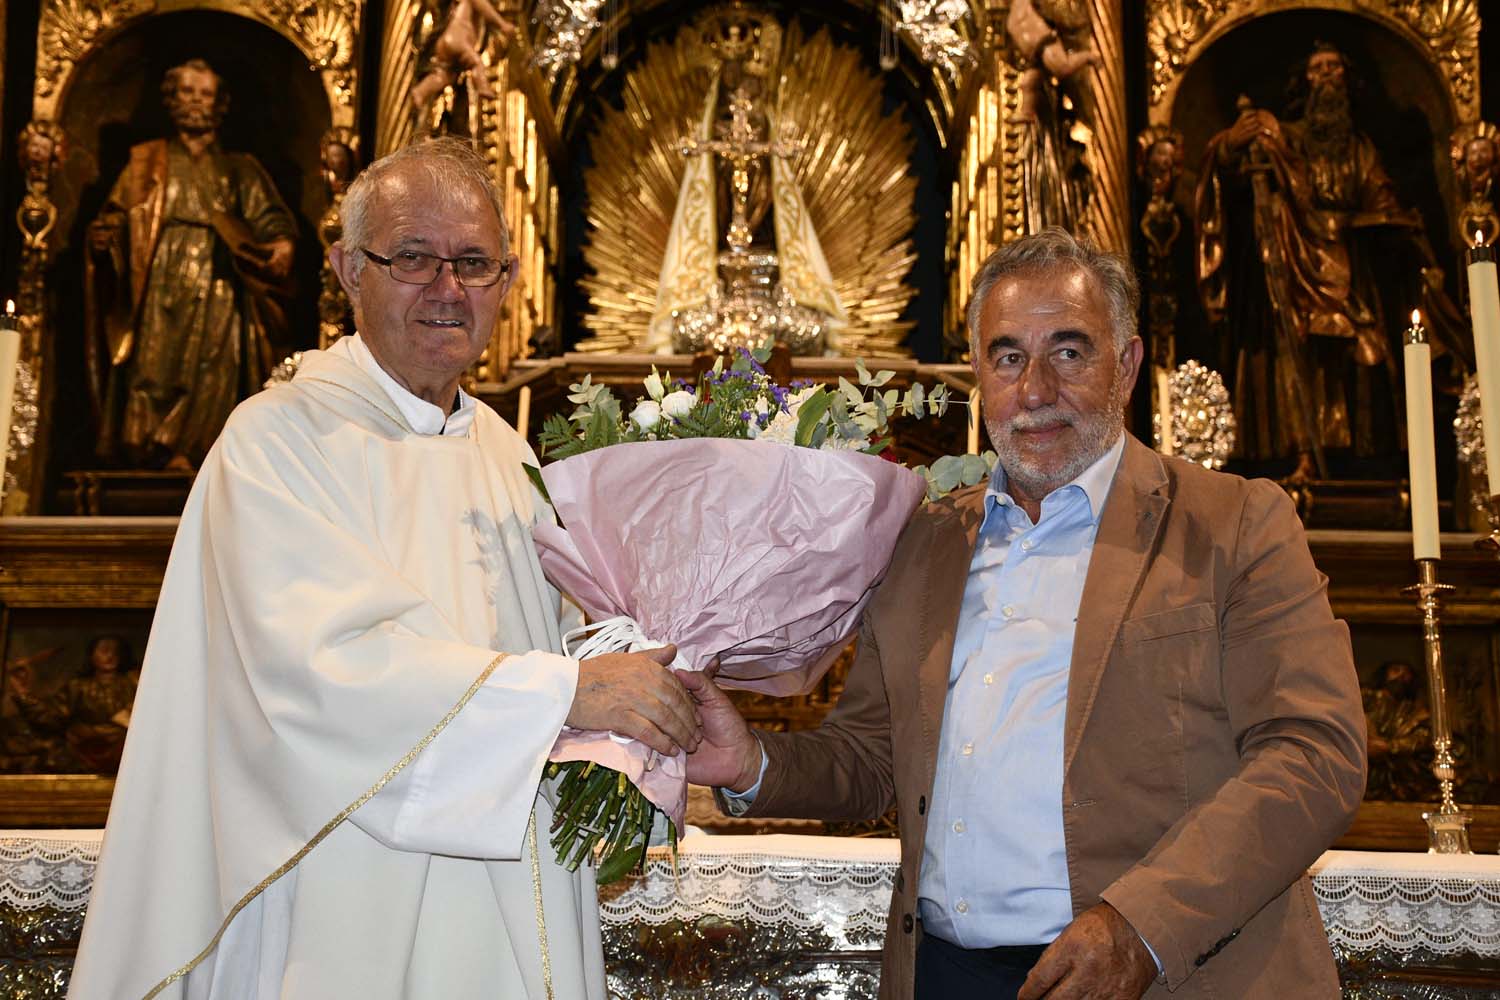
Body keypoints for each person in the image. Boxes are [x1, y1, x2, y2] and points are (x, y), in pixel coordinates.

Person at [69, 138, 701, 999]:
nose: (448, 289)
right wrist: (568, 694)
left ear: (507, 284)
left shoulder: (505, 456)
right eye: (413, 257)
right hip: (333, 894)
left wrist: (652, 682)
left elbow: (562, 654)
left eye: (475, 263)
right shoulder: (276, 442)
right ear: (345, 268)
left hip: (505, 894)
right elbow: (319, 677)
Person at [684, 228, 1367, 1000]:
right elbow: (874, 759)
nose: (1035, 390)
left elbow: (1315, 753)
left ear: (1129, 364)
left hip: (1170, 973)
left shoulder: (1234, 523)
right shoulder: (923, 543)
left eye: (1069, 352)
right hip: (947, 974)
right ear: (980, 375)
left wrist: (1140, 925)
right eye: (1008, 357)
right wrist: (752, 764)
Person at [1196, 42, 1467, 480]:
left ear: (1348, 81)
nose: (1326, 78)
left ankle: (1365, 462)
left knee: (1367, 355)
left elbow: (1380, 196)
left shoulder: (1359, 148)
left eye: (1335, 69)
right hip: (1291, 266)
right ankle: (1297, 456)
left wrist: (1398, 225)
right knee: (1293, 354)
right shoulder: (1282, 138)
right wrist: (1230, 145)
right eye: (1318, 69)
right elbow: (1226, 174)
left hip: (1351, 267)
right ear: (1304, 82)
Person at [85, 58, 297, 471]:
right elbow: (114, 215)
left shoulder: (239, 167)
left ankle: (198, 450)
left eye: (205, 94)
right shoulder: (145, 160)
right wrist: (105, 237)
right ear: (171, 100)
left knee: (214, 366)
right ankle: (146, 449)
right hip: (157, 270)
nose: (196, 102)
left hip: (219, 276)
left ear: (219, 105)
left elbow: (272, 219)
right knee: (152, 361)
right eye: (187, 92)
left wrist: (280, 247)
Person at [7, 635, 139, 774]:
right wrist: (24, 695)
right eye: (104, 650)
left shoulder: (133, 684)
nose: (110, 656)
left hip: (124, 753)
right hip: (83, 753)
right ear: (92, 655)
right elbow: (51, 716)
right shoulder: (77, 687)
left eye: (115, 651)